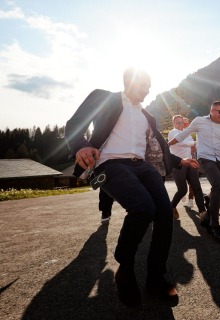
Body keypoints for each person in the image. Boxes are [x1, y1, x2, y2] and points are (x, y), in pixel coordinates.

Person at [65, 68, 198, 307]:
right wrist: (80, 146)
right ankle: (125, 269)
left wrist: (180, 161)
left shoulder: (147, 116)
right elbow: (75, 122)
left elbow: (159, 147)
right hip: (110, 163)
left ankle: (156, 276)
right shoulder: (104, 98)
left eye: (149, 86)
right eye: (144, 85)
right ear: (129, 81)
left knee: (165, 213)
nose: (148, 90)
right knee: (142, 208)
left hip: (142, 166)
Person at [169, 101, 220, 241]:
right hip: (205, 159)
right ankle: (214, 225)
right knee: (218, 184)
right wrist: (165, 146)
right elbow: (182, 134)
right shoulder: (199, 121)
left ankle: (208, 216)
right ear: (212, 110)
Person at [168, 115, 206, 220]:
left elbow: (193, 148)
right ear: (173, 124)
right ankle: (172, 206)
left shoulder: (187, 133)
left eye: (182, 122)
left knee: (196, 187)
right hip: (178, 164)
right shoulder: (172, 132)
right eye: (178, 122)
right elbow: (181, 143)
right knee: (182, 190)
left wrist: (200, 144)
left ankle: (202, 211)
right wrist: (194, 142)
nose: (180, 125)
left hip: (190, 162)